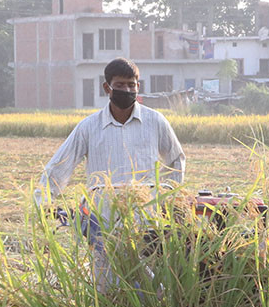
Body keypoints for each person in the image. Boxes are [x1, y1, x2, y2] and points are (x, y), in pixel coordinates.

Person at [32, 57, 186, 289]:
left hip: (145, 221)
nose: (127, 90)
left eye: (132, 85)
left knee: (152, 287)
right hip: (102, 223)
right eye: (121, 85)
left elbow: (176, 160)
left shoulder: (155, 122)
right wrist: (45, 201)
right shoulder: (89, 127)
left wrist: (165, 197)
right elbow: (59, 166)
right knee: (106, 286)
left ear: (138, 86)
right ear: (107, 88)